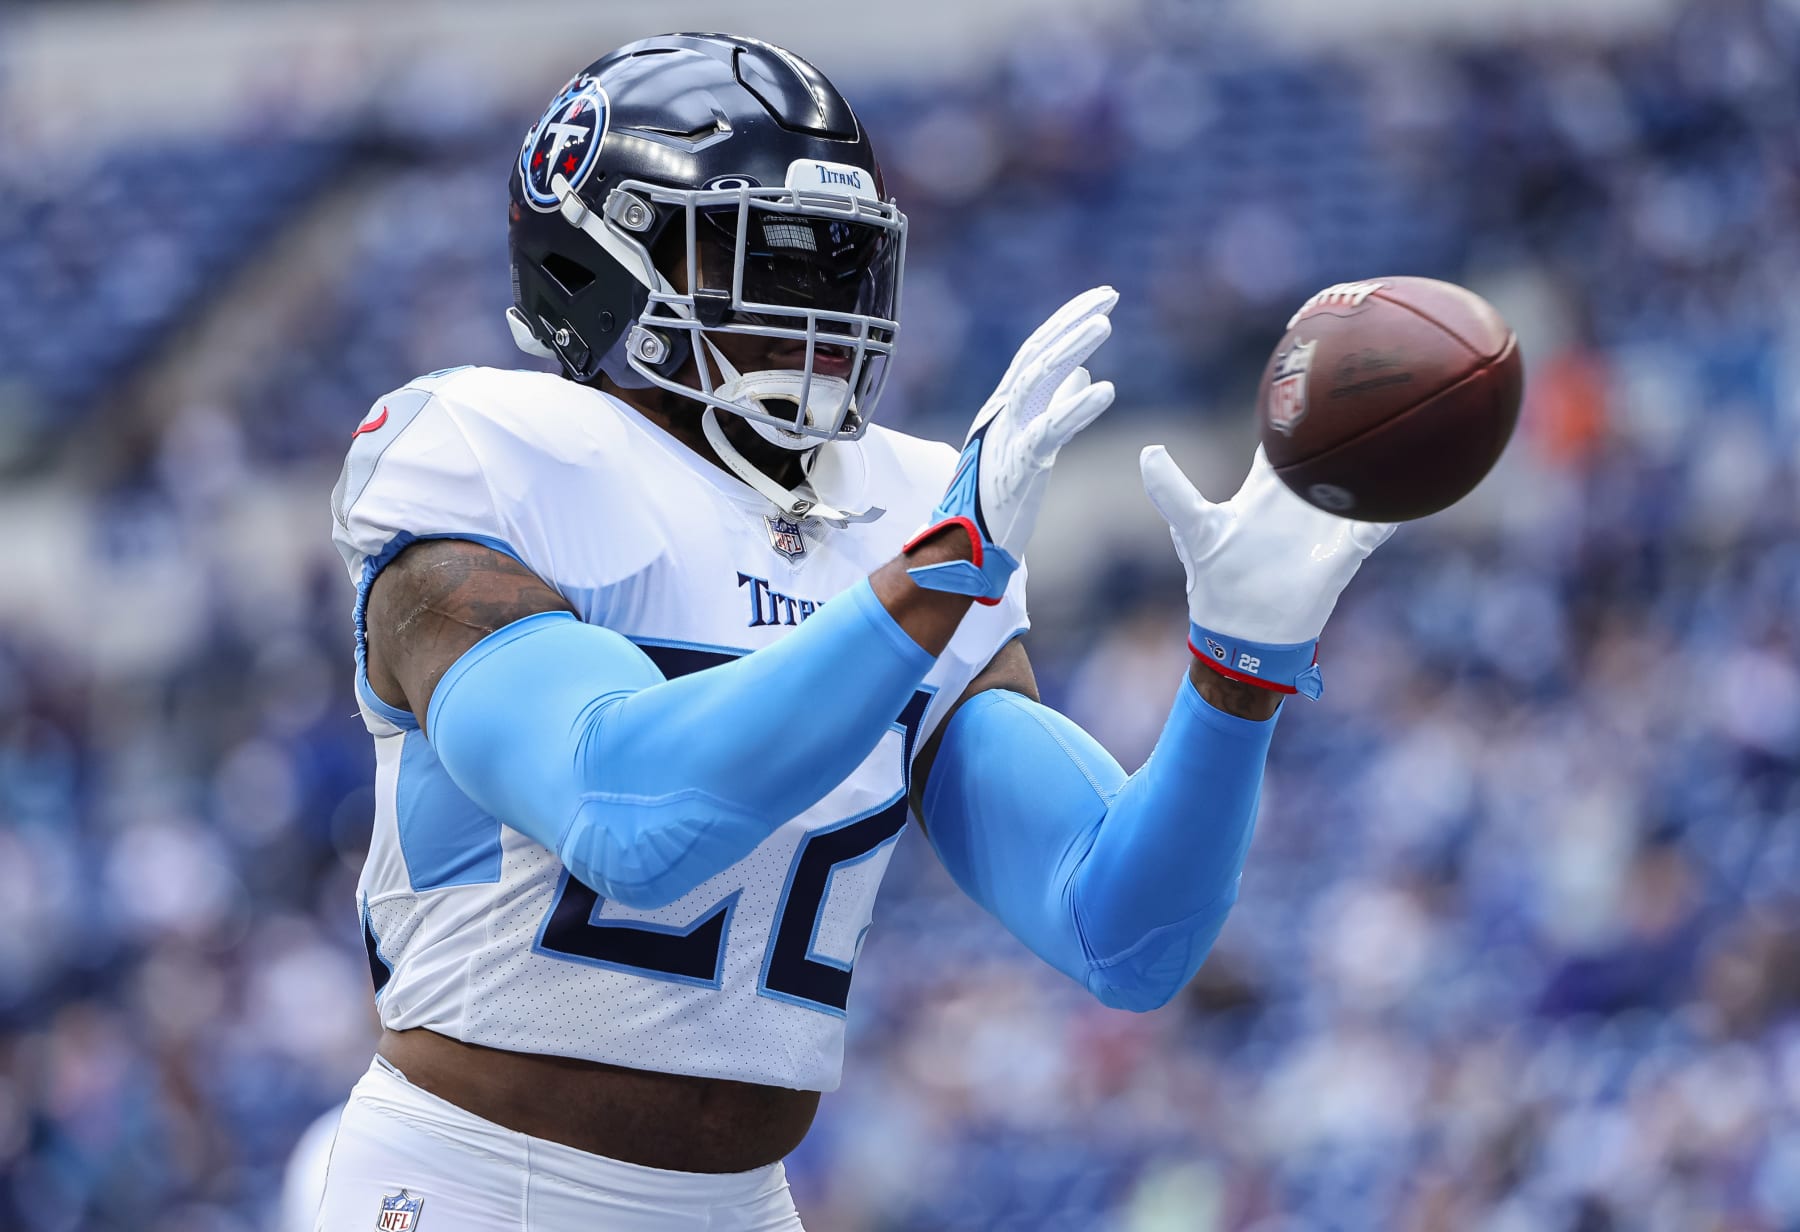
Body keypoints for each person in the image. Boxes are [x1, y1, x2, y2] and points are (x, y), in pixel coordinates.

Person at [313, 32, 1392, 1231]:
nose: (816, 302)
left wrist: (1237, 672)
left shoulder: (910, 501)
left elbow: (1120, 926)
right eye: (759, 254)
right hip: (480, 1184)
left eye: (840, 259)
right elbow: (625, 814)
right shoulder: (485, 456)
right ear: (595, 266)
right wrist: (933, 582)